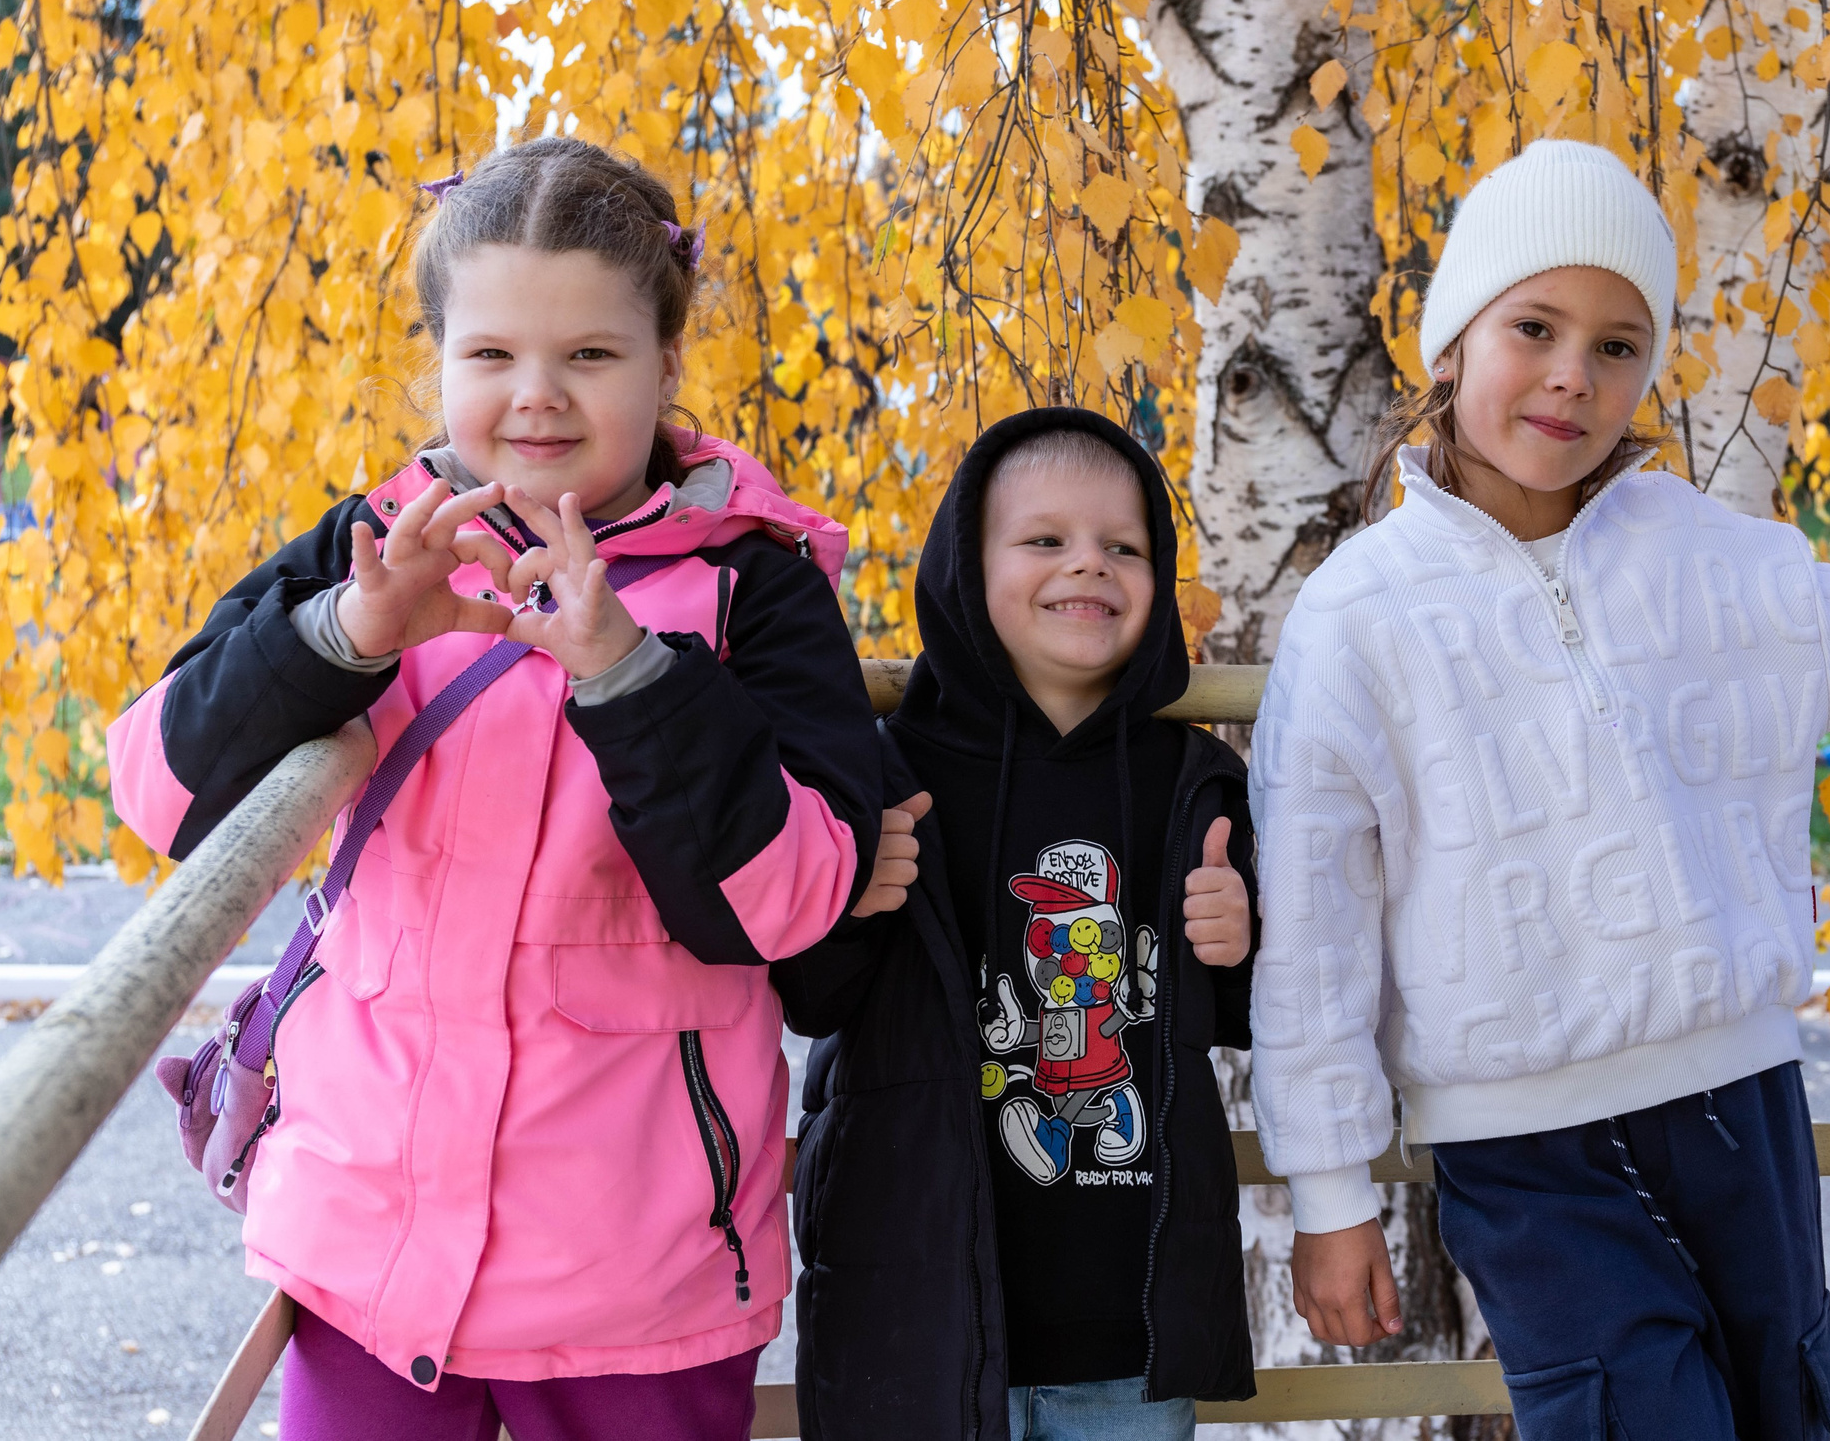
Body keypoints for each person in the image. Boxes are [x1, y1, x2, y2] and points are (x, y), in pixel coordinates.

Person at [1247, 139, 1830, 1440]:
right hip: (1522, 1145)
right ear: (1449, 343)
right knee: (1632, 1413)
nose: (1570, 376)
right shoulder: (1356, 619)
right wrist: (1329, 1191)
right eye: (1533, 326)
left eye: (1618, 346)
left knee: (1784, 1401)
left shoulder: (1709, 560)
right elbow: (1312, 932)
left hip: (1736, 1098)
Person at [107, 138, 880, 1439]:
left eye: (591, 353)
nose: (539, 396)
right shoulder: (377, 538)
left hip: (640, 1282)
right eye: (491, 356)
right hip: (369, 1261)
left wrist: (630, 678)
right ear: (439, 361)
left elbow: (794, 905)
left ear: (666, 366)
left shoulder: (756, 585)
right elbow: (161, 789)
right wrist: (348, 631)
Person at [775, 409, 1259, 1441]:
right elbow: (807, 995)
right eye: (1043, 540)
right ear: (964, 562)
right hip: (912, 1324)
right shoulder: (879, 773)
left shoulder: (1195, 786)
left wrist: (1239, 942)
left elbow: (1244, 1018)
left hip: (1128, 1348)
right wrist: (850, 905)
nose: (1087, 565)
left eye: (1122, 547)